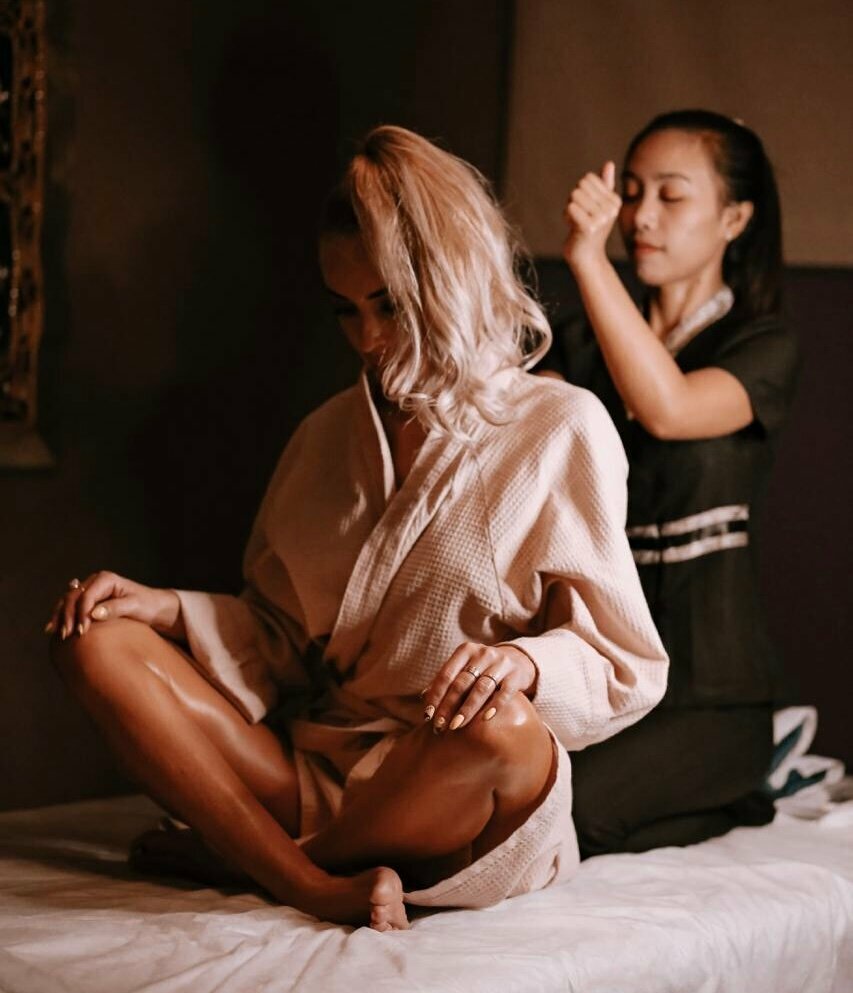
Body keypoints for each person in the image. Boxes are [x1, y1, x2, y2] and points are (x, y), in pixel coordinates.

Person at [47, 125, 667, 930]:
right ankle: (305, 877)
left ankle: (242, 853)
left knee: (504, 728)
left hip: (454, 788)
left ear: (451, 281)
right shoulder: (324, 436)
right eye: (345, 309)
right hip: (313, 777)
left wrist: (522, 661)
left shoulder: (559, 425)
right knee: (92, 638)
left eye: (388, 305)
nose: (368, 339)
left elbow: (622, 661)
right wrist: (165, 608)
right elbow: (279, 641)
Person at [547, 109, 798, 856]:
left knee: (562, 815)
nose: (640, 217)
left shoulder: (762, 344)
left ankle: (737, 792)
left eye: (670, 195)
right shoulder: (577, 343)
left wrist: (587, 260)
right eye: (629, 193)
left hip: (711, 696)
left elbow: (669, 408)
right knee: (495, 792)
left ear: (734, 218)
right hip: (597, 676)